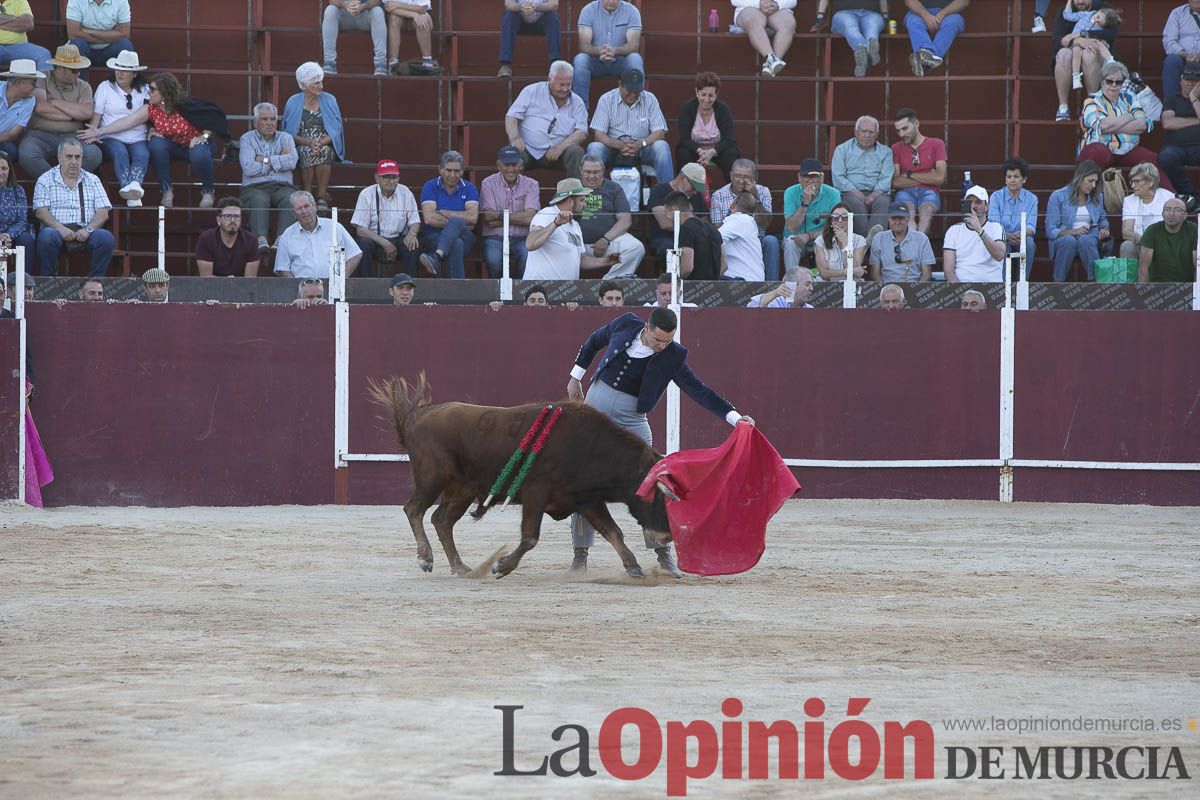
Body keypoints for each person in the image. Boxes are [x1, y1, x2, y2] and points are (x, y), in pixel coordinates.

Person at [565, 306, 754, 577]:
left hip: (632, 419)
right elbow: (594, 340)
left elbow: (698, 390)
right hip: (593, 414)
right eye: (657, 340)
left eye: (667, 341)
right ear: (646, 328)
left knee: (652, 481)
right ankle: (580, 556)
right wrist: (575, 377)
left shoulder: (673, 356)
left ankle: (663, 555)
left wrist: (735, 419)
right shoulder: (625, 324)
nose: (661, 346)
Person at [79, 71, 228, 209]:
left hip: (195, 143)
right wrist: (99, 131)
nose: (148, 91)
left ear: (164, 93)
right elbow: (128, 121)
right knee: (156, 145)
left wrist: (204, 136)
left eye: (152, 89)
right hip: (174, 146)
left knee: (198, 153)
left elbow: (214, 118)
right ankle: (167, 191)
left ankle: (208, 191)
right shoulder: (151, 109)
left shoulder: (185, 105)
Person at [1077, 61, 1174, 191]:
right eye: (1109, 81)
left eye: (1118, 82)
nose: (1113, 85)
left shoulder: (1130, 98)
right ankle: (1083, 196)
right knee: (1096, 151)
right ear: (1102, 82)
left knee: (1151, 158)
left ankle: (1170, 200)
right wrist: (1128, 117)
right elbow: (1102, 126)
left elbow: (1142, 125)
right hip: (1102, 148)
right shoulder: (1092, 101)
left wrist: (1112, 124)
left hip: (1127, 149)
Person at [18, 45, 101, 180]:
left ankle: (62, 183)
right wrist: (73, 113)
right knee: (27, 153)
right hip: (40, 135)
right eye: (74, 70)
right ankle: (54, 183)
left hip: (73, 135)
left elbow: (86, 113)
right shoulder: (42, 77)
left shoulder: (83, 86)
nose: (78, 73)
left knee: (94, 154)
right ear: (60, 69)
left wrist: (55, 102)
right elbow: (41, 108)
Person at [33, 139, 112, 277]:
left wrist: (88, 230)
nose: (74, 161)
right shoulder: (45, 179)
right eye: (69, 156)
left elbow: (103, 213)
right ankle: (47, 283)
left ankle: (95, 283)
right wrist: (61, 229)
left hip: (85, 231)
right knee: (47, 236)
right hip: (57, 232)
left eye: (77, 157)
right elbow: (41, 212)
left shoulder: (92, 179)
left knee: (105, 238)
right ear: (59, 158)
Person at [83, 49, 149, 208]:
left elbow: (150, 117)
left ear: (135, 74)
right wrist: (93, 132)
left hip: (138, 137)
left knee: (142, 153)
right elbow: (97, 116)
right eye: (118, 69)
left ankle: (134, 186)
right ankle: (128, 187)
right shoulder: (105, 87)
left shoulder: (146, 89)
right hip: (110, 137)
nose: (120, 73)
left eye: (126, 70)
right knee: (120, 152)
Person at [586, 68, 673, 188]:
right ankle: (592, 194)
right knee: (594, 148)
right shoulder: (606, 99)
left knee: (662, 147)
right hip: (613, 149)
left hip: (642, 149)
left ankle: (667, 195)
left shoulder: (650, 99)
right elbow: (598, 134)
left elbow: (660, 132)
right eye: (629, 90)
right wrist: (618, 145)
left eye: (637, 91)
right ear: (620, 85)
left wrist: (640, 144)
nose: (633, 94)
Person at [523, 177, 620, 280]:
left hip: (565, 291)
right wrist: (555, 224)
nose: (585, 204)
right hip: (540, 290)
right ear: (570, 201)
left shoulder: (575, 225)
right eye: (582, 200)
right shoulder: (547, 214)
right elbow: (530, 244)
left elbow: (580, 259)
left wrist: (606, 261)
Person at [504, 61, 588, 180]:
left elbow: (581, 132)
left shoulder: (578, 102)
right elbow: (511, 116)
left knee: (576, 152)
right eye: (561, 84)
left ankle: (574, 194)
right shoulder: (531, 91)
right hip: (528, 149)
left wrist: (560, 148)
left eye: (568, 85)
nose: (565, 89)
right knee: (512, 153)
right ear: (550, 79)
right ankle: (511, 196)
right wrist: (514, 138)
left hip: (557, 153)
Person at [283, 62, 345, 213]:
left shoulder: (330, 99)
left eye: (321, 82)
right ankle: (307, 193)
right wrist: (308, 142)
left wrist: (321, 141)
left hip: (324, 141)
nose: (321, 86)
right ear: (304, 85)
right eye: (316, 83)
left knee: (323, 151)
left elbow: (336, 129)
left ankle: (322, 196)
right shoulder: (293, 101)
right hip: (301, 142)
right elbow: (288, 132)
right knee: (305, 151)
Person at [239, 102, 298, 253]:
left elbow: (292, 161)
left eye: (273, 119)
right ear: (256, 122)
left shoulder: (286, 138)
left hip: (282, 186)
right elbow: (248, 167)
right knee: (259, 199)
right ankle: (261, 240)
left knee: (291, 198)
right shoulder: (247, 139)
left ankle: (281, 240)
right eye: (265, 119)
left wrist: (263, 160)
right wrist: (279, 160)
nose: (270, 123)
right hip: (254, 187)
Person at [709, 158, 780, 279]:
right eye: (738, 176)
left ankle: (772, 287)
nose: (741, 181)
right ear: (731, 175)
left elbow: (765, 224)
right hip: (733, 242)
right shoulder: (718, 195)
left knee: (771, 241)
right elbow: (717, 228)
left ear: (754, 178)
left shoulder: (763, 191)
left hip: (757, 240)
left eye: (746, 177)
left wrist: (755, 198)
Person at [352, 158, 421, 278]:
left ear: (398, 178)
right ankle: (366, 286)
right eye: (386, 177)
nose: (391, 181)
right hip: (375, 240)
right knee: (363, 244)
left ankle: (410, 284)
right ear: (377, 178)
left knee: (412, 245)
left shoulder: (405, 192)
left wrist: (412, 234)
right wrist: (385, 243)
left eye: (394, 177)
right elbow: (360, 229)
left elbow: (415, 221)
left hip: (398, 238)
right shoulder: (366, 194)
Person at [578, 153, 644, 278]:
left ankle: (610, 284)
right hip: (577, 244)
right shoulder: (571, 187)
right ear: (580, 170)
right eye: (587, 172)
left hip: (608, 242)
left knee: (636, 247)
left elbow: (625, 220)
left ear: (603, 171)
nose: (592, 176)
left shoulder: (614, 188)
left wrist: (605, 239)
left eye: (596, 172)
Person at [1051, 0, 1119, 121]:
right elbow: (1057, 41)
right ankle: (1063, 107)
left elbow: (1111, 34)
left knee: (1089, 54)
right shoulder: (1063, 12)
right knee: (1062, 54)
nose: (1080, 1)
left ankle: (1092, 105)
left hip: (1095, 53)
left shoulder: (1104, 9)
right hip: (1071, 53)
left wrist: (1083, 34)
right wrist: (1077, 41)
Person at [479, 145, 539, 278]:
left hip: (522, 237)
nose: (511, 169)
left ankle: (517, 292)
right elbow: (489, 218)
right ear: (498, 165)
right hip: (495, 237)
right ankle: (498, 293)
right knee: (493, 259)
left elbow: (529, 218)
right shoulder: (488, 183)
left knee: (527, 257)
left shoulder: (532, 184)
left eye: (514, 164)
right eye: (506, 164)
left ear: (521, 165)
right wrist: (520, 218)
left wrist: (499, 215)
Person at [1045, 159, 1110, 281]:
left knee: (1085, 240)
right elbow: (1051, 230)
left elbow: (1102, 219)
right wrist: (1073, 232)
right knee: (1069, 241)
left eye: (1095, 182)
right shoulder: (1058, 196)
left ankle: (1096, 282)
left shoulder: (1097, 197)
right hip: (1065, 238)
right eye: (1090, 181)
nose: (1093, 185)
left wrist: (1104, 228)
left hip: (1089, 236)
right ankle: (1058, 283)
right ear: (1079, 178)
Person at [418, 150, 478, 279]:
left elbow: (473, 218)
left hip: (466, 237)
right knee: (456, 243)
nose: (452, 175)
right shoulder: (430, 186)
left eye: (457, 171)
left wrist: (446, 214)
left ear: (462, 171)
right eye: (448, 170)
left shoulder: (470, 188)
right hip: (433, 237)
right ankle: (457, 289)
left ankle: (436, 257)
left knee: (456, 225)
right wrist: (457, 224)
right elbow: (429, 219)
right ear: (440, 169)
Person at [274, 190, 362, 278]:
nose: (304, 211)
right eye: (299, 208)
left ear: (315, 207)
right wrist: (297, 288)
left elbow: (355, 254)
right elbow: (282, 268)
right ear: (294, 214)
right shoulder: (287, 235)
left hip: (333, 287)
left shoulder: (334, 227)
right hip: (302, 288)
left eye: (306, 206)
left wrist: (341, 280)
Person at [571, 0, 643, 106]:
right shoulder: (588, 10)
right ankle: (580, 112)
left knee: (635, 59)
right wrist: (600, 51)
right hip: (595, 61)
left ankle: (637, 109)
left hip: (621, 61)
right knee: (580, 60)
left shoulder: (632, 11)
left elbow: (634, 45)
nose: (611, 1)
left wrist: (615, 51)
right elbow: (584, 46)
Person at [830, 115, 892, 238]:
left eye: (871, 132)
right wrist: (859, 195)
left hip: (877, 193)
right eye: (864, 131)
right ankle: (866, 242)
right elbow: (838, 178)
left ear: (877, 133)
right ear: (856, 132)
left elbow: (886, 178)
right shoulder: (842, 150)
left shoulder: (886, 152)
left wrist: (873, 196)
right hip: (851, 193)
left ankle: (874, 242)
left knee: (884, 202)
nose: (867, 135)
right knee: (855, 203)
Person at [676, 71, 740, 185]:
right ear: (697, 92)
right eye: (703, 94)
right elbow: (684, 139)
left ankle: (733, 191)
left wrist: (712, 152)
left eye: (710, 95)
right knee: (683, 152)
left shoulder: (723, 109)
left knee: (731, 153)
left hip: (717, 151)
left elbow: (729, 139)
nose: (706, 99)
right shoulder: (688, 108)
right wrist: (700, 151)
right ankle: (683, 191)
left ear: (716, 94)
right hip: (695, 151)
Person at [891, 107, 946, 235]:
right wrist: (929, 176)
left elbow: (939, 179)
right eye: (898, 130)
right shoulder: (896, 148)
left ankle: (918, 249)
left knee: (926, 212)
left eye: (905, 128)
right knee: (907, 214)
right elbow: (895, 182)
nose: (901, 134)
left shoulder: (936, 144)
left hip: (929, 192)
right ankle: (912, 249)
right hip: (905, 193)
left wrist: (909, 175)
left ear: (916, 123)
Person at [782, 157, 841, 270]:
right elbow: (791, 227)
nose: (810, 181)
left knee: (832, 240)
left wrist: (809, 236)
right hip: (796, 237)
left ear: (822, 178)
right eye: (806, 177)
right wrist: (805, 203)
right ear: (799, 178)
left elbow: (836, 227)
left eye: (814, 176)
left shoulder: (833, 194)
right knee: (790, 244)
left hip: (822, 236)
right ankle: (791, 283)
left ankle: (829, 282)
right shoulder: (790, 192)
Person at [648, 162, 710, 262]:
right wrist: (690, 217)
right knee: (670, 248)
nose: (695, 192)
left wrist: (680, 217)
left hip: (690, 238)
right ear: (682, 178)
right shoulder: (659, 191)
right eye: (693, 187)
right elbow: (666, 224)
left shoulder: (696, 196)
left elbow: (704, 222)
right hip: (665, 237)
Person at [943, 185, 1006, 283]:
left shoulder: (996, 227)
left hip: (991, 287)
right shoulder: (953, 231)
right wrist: (960, 292)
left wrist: (979, 230)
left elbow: (999, 255)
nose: (973, 206)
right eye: (969, 202)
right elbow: (948, 271)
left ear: (986, 207)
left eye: (978, 202)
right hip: (962, 288)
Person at [1159, 61, 1200, 204]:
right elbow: (1168, 123)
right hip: (1176, 148)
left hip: (1198, 147)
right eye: (1187, 80)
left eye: (1194, 81)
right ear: (1181, 81)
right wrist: (1196, 121)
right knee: (1166, 157)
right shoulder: (1172, 100)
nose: (1190, 84)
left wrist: (1194, 98)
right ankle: (1191, 195)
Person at [812, 0, 887, 77]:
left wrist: (820, 16)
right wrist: (885, 15)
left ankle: (862, 48)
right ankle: (869, 47)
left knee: (853, 28)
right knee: (858, 27)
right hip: (843, 13)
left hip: (871, 13)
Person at [988, 157, 1038, 267]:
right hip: (1003, 237)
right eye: (1009, 177)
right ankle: (1003, 282)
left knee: (1029, 243)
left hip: (1022, 238)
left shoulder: (1032, 199)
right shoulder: (996, 197)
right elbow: (994, 225)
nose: (1012, 180)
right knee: (1002, 243)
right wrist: (1007, 235)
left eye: (1016, 176)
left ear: (1024, 179)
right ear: (1005, 180)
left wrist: (1021, 235)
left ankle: (1024, 281)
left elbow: (1031, 227)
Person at [869, 200, 935, 282]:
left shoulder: (922, 239)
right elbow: (875, 274)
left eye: (901, 218)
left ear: (908, 218)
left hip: (915, 288)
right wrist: (886, 290)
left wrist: (916, 291)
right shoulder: (879, 238)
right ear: (888, 219)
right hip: (886, 288)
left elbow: (927, 273)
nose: (897, 222)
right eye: (893, 218)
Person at [1120, 163, 1175, 261]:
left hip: (1163, 243)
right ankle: (1129, 277)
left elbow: (1173, 227)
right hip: (1139, 243)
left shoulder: (1167, 197)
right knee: (1126, 246)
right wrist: (1145, 241)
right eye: (1131, 182)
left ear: (1150, 182)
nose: (1132, 186)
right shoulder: (1129, 201)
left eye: (1137, 182)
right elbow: (1126, 232)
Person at [664, 190, 723, 280]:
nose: (666, 217)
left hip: (692, 288)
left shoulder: (685, 229)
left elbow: (687, 268)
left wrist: (675, 282)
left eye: (666, 212)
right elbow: (724, 263)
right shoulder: (712, 228)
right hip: (714, 288)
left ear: (674, 210)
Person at [195, 197, 261, 277]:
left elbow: (250, 279)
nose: (233, 220)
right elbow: (206, 278)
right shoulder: (206, 239)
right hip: (212, 288)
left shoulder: (251, 240)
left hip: (242, 288)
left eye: (236, 216)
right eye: (228, 216)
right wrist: (226, 283)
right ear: (218, 220)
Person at [321, 0, 389, 77]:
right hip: (344, 15)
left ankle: (380, 63)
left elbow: (377, 1)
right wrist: (345, 4)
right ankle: (329, 62)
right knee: (330, 10)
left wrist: (363, 6)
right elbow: (332, 1)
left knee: (378, 11)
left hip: (365, 15)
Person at [1137, 198, 1197, 282]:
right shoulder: (1153, 230)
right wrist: (1144, 292)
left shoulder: (1194, 230)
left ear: (1185, 215)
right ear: (1162, 214)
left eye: (1177, 210)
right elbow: (1144, 266)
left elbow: (1197, 265)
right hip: (1157, 287)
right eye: (1167, 209)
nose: (1171, 213)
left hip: (1187, 287)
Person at [1062, 6, 1121, 91]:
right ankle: (1076, 76)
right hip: (1077, 42)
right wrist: (1068, 3)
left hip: (1089, 44)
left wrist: (1103, 43)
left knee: (1099, 44)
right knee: (1076, 50)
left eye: (1099, 23)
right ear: (1099, 11)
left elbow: (1102, 37)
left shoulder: (1101, 27)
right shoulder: (1086, 15)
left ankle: (1110, 61)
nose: (1096, 21)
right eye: (1098, 17)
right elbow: (1068, 16)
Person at [903, 0, 968, 76]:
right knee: (912, 21)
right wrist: (926, 15)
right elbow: (910, 1)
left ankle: (924, 59)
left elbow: (963, 1)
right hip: (920, 14)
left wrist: (942, 13)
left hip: (950, 14)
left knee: (954, 22)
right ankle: (927, 56)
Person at [732, 0, 796, 77]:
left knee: (788, 23)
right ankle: (771, 59)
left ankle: (772, 63)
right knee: (752, 20)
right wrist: (758, 3)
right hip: (749, 8)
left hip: (777, 9)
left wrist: (777, 5)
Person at [65, 0, 134, 71]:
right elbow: (73, 35)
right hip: (85, 49)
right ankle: (77, 81)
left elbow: (125, 34)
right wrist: (112, 34)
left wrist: (88, 31)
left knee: (125, 45)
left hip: (110, 50)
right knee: (77, 44)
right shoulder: (76, 1)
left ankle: (121, 81)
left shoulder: (120, 1)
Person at [498, 0, 561, 77]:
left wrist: (536, 7)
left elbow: (553, 4)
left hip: (541, 21)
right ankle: (505, 64)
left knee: (553, 16)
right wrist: (521, 7)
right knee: (508, 15)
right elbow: (508, 4)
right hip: (519, 21)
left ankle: (554, 63)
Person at [383, 0, 439, 75]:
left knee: (423, 18)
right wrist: (412, 14)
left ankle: (428, 62)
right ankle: (393, 64)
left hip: (416, 16)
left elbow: (422, 8)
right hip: (398, 15)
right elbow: (388, 7)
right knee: (393, 19)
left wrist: (398, 5)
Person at [813, 202, 866, 280]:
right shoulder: (820, 240)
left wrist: (845, 244)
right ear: (831, 221)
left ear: (851, 220)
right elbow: (824, 273)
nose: (840, 220)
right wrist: (846, 271)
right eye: (835, 217)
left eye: (845, 217)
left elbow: (855, 269)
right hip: (827, 286)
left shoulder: (859, 240)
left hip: (851, 283)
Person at [720, 191, 766, 281]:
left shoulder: (738, 219)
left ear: (732, 205)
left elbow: (716, 239)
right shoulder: (748, 222)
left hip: (739, 280)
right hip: (753, 280)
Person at [1162, 1, 1200, 104]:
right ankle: (1170, 105)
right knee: (1171, 61)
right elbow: (1169, 41)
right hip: (1183, 59)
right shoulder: (1177, 13)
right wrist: (1185, 54)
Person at [0, 151, 34, 264]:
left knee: (26, 239)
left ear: (9, 170)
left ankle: (25, 279)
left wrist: (8, 235)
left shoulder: (18, 190)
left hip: (12, 235)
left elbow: (22, 220)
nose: (1, 172)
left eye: (4, 168)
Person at [0, 57, 38, 160]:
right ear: (20, 82)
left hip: (1, 141)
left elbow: (13, 133)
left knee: (10, 151)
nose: (36, 86)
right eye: (33, 82)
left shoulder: (30, 100)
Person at [0, 1, 51, 69]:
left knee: (44, 55)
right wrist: (16, 19)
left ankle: (45, 80)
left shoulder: (21, 1)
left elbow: (28, 24)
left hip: (18, 46)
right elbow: (23, 22)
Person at [747, 266, 814, 307]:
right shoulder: (773, 304)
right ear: (793, 285)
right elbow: (751, 308)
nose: (811, 288)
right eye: (807, 284)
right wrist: (775, 293)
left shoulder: (810, 309)